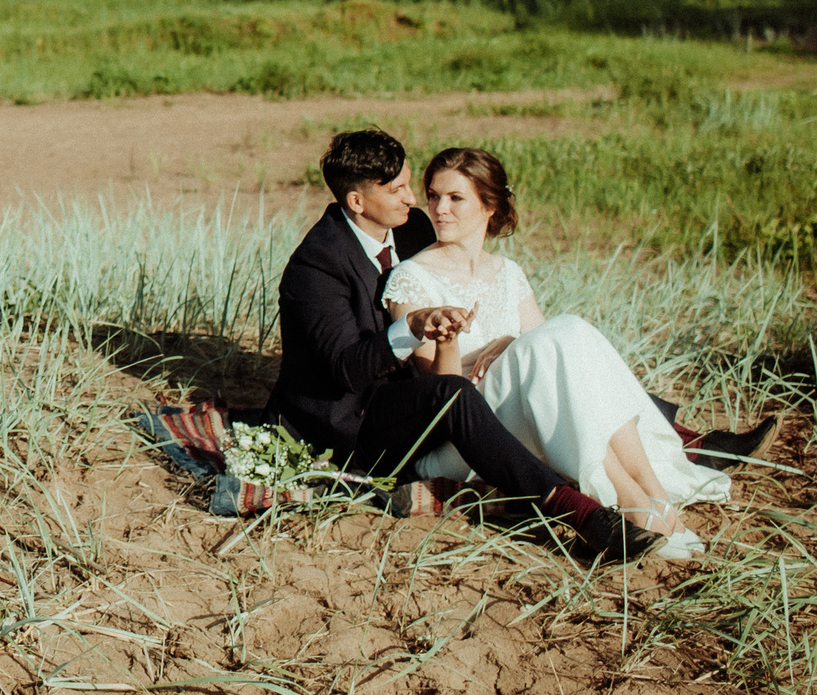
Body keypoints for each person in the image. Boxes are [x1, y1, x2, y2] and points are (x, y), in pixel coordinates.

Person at [247, 129, 762, 563]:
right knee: (530, 362)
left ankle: (659, 478)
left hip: (433, 388)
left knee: (568, 335)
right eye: (404, 191)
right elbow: (346, 370)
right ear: (358, 202)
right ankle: (591, 509)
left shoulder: (412, 229)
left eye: (416, 187)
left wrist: (504, 340)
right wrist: (418, 328)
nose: (419, 203)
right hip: (354, 420)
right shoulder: (315, 267)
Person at [383, 147, 745, 562]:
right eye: (433, 196)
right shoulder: (412, 278)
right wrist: (450, 341)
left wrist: (508, 344)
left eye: (455, 198)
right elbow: (439, 396)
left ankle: (651, 496)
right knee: (564, 333)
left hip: (527, 416)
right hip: (468, 439)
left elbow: (560, 359)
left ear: (489, 206)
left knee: (571, 332)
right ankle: (639, 502)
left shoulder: (508, 272)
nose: (438, 209)